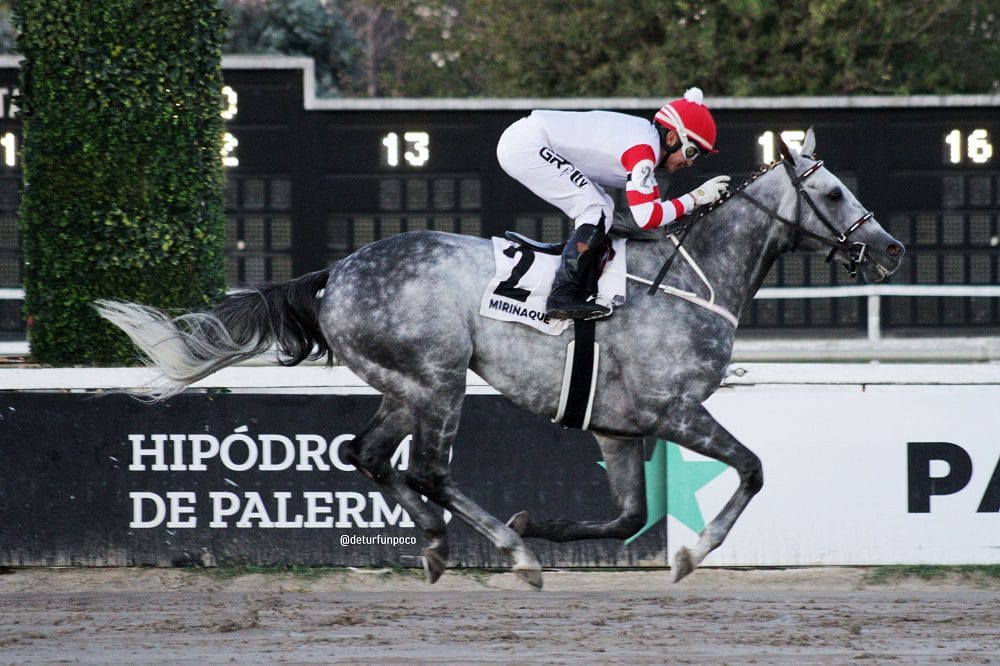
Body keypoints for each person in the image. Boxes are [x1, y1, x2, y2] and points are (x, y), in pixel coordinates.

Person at [496, 87, 730, 320]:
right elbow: (646, 217)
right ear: (671, 138)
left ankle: (580, 284)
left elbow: (657, 214)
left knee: (603, 208)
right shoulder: (643, 153)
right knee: (596, 210)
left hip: (527, 140)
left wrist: (695, 204)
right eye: (691, 152)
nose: (690, 162)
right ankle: (562, 296)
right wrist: (696, 197)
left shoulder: (646, 145)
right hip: (527, 145)